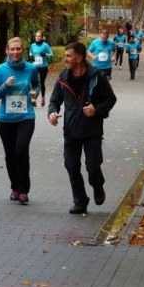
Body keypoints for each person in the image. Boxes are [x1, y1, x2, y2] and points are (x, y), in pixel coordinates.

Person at [48, 43, 117, 214]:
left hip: (92, 130)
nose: (65, 59)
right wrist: (52, 113)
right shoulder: (63, 77)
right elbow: (54, 101)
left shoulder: (97, 77)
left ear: (79, 57)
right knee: (71, 166)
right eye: (65, 55)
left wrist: (96, 109)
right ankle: (80, 200)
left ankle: (98, 186)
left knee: (92, 166)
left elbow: (110, 99)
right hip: (71, 130)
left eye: (68, 56)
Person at [0, 37, 40, 205]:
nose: (15, 52)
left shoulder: (31, 68)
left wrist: (35, 93)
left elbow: (36, 85)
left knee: (21, 150)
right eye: (12, 49)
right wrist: (6, 84)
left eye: (18, 49)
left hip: (26, 116)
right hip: (5, 119)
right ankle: (15, 187)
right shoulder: (1, 69)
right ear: (7, 51)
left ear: (23, 50)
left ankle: (24, 189)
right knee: (10, 155)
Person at [28, 30, 53, 106]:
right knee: (34, 83)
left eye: (39, 36)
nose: (37, 37)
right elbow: (30, 53)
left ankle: (42, 98)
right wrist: (31, 56)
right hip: (34, 66)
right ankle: (34, 99)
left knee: (41, 83)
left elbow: (51, 55)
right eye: (36, 36)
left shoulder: (45, 45)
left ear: (42, 37)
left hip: (43, 67)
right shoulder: (32, 45)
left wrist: (45, 54)